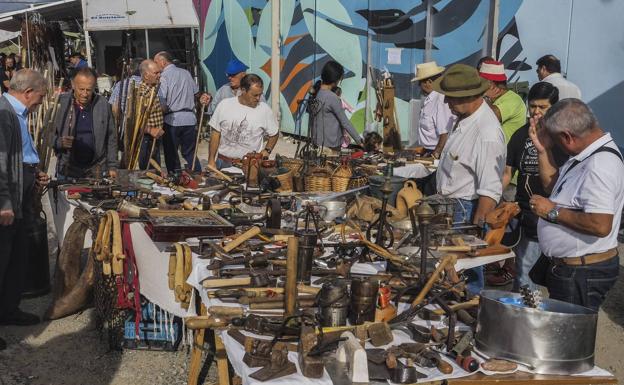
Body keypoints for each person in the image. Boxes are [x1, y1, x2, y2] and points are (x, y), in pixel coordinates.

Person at [528, 99, 623, 310]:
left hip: (582, 272)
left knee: (568, 339)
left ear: (568, 137)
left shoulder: (599, 165)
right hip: (573, 270)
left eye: (556, 140)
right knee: (567, 338)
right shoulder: (587, 155)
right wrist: (543, 151)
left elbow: (600, 225)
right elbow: (554, 189)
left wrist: (552, 211)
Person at [433, 64, 506, 294]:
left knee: (466, 273)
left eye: (451, 99)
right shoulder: (466, 119)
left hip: (464, 212)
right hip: (452, 208)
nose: (446, 103)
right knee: (448, 272)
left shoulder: (487, 133)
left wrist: (474, 233)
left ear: (469, 97)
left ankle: (470, 316)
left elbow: (489, 190)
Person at [490, 83, 568, 289]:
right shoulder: (521, 134)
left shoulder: (562, 138)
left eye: (543, 107)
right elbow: (508, 172)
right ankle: (522, 310)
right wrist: (493, 199)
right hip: (523, 211)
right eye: (533, 106)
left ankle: (522, 314)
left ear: (555, 107)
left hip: (549, 213)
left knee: (528, 271)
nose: (536, 111)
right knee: (522, 267)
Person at [0, 69, 50, 349]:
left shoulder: (17, 113)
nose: (41, 101)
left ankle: (8, 310)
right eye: (40, 96)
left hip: (20, 196)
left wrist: (35, 171)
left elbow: (22, 153)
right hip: (7, 202)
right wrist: (4, 202)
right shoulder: (3, 113)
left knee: (16, 258)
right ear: (28, 92)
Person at [53, 68, 117, 179]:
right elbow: (46, 135)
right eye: (81, 89)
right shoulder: (62, 104)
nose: (85, 94)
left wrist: (112, 166)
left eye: (89, 90)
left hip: (96, 170)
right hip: (68, 169)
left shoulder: (102, 104)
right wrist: (59, 142)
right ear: (73, 85)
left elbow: (111, 137)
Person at [154, 51, 211, 172]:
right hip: (189, 119)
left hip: (172, 120)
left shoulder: (164, 76)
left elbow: (162, 99)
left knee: (171, 154)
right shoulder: (186, 73)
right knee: (190, 153)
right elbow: (197, 94)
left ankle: (175, 178)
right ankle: (197, 175)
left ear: (163, 62)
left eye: (156, 62)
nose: (155, 65)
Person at [207, 74, 279, 170]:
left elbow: (274, 133)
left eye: (260, 94)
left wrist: (267, 150)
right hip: (223, 162)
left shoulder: (264, 110)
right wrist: (211, 160)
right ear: (243, 90)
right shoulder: (224, 105)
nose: (258, 98)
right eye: (255, 95)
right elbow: (216, 133)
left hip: (249, 166)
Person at [310, 61, 363, 154]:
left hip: (317, 142)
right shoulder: (332, 98)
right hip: (330, 146)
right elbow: (345, 122)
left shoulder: (318, 93)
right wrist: (360, 141)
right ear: (336, 79)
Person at [411, 61, 454, 158]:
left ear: (429, 82)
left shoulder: (440, 100)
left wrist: (436, 154)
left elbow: (444, 133)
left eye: (420, 83)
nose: (419, 86)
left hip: (435, 152)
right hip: (427, 150)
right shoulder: (430, 100)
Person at [479, 60, 527, 142]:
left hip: (505, 153)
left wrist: (482, 97)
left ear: (491, 85)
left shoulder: (513, 100)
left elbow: (490, 116)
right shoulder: (493, 100)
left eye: (480, 83)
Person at [132, 60, 165, 170]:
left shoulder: (152, 89)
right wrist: (150, 130)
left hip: (154, 138)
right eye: (156, 73)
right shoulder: (141, 93)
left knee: (155, 171)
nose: (159, 76)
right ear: (146, 75)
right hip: (145, 138)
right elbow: (133, 121)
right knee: (148, 172)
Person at [109, 57, 143, 121]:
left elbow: (114, 108)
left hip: (125, 124)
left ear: (131, 70)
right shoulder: (149, 83)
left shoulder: (120, 84)